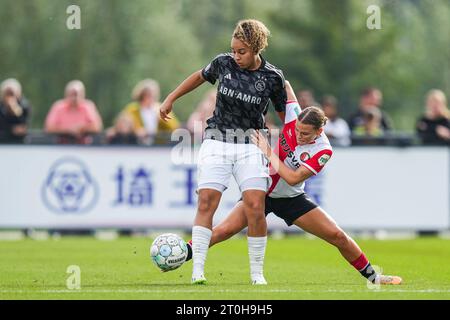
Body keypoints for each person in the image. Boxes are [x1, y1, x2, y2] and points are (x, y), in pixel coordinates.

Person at [180, 89, 402, 286]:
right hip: (263, 191)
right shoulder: (293, 114)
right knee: (223, 231)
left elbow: (294, 178)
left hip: (291, 198)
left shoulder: (323, 150)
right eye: (297, 130)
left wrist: (268, 151)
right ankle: (180, 253)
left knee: (338, 236)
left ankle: (374, 277)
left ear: (319, 130)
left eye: (305, 134)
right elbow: (284, 84)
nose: (298, 136)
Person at [160, 19, 287, 285]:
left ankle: (257, 274)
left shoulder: (273, 78)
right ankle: (198, 272)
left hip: (251, 144)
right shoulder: (223, 63)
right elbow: (198, 77)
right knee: (207, 201)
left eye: (241, 51)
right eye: (233, 50)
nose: (235, 56)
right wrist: (171, 97)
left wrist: (288, 146)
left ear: (256, 49)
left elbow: (285, 115)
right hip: (217, 139)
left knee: (255, 206)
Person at [121, 79, 180, 145]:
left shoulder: (161, 108)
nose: (150, 98)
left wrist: (161, 119)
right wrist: (136, 131)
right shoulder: (132, 109)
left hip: (158, 146)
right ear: (141, 96)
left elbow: (175, 127)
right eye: (147, 95)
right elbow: (123, 125)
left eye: (152, 96)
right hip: (136, 145)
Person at [45, 80, 103, 144]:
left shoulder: (88, 107)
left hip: (84, 146)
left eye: (76, 94)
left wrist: (81, 128)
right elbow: (49, 128)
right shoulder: (58, 107)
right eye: (72, 94)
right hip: (61, 146)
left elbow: (97, 127)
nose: (74, 98)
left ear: (83, 95)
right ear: (66, 94)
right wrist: (68, 130)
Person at [0, 78, 31, 144]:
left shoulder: (24, 107)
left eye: (12, 94)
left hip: (19, 143)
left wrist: (15, 109)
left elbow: (23, 127)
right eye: (7, 94)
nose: (9, 97)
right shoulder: (1, 108)